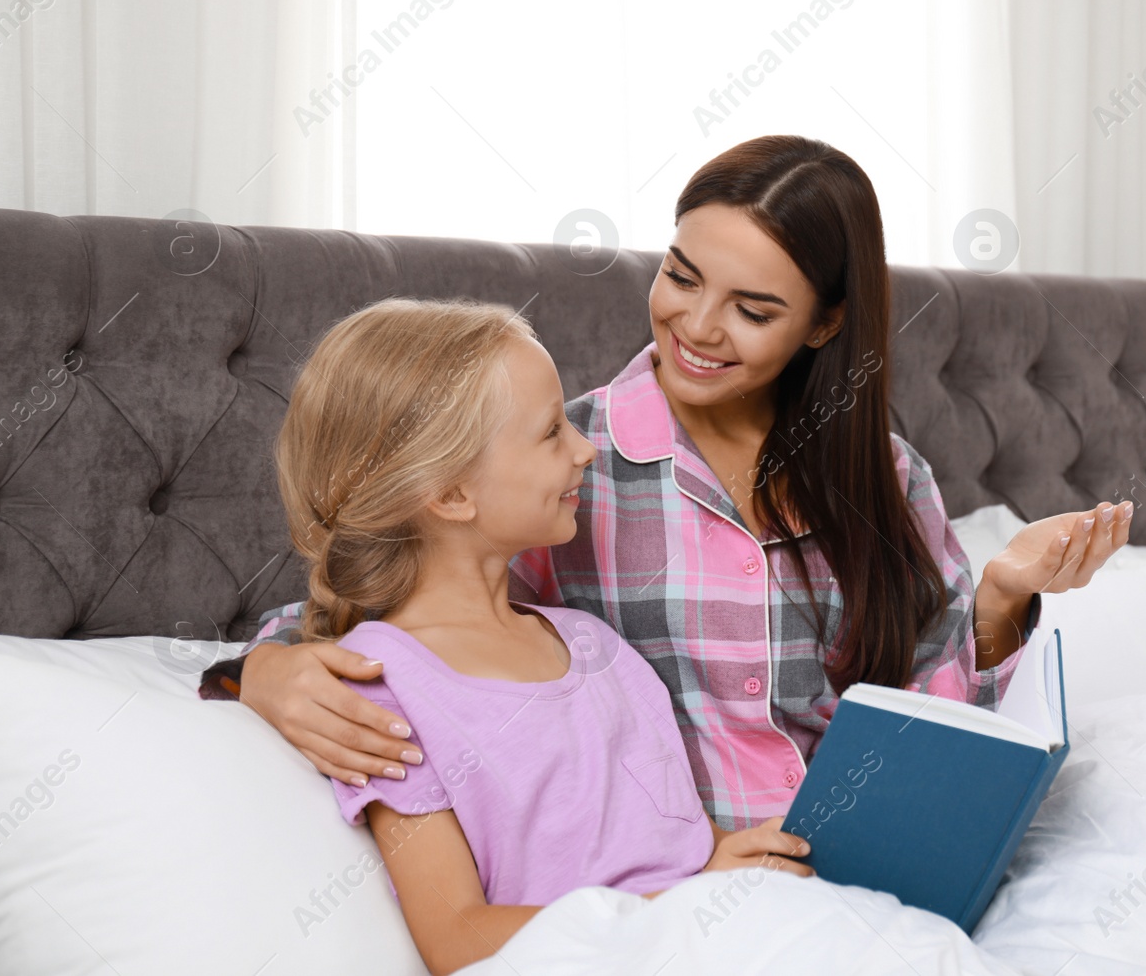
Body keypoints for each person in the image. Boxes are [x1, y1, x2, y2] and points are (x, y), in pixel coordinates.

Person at [201, 134, 1133, 830]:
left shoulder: (883, 472)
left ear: (823, 324)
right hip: (690, 883)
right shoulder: (565, 462)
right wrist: (267, 669)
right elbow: (390, 605)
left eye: (753, 309)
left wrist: (1004, 593)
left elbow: (931, 709)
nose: (697, 324)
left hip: (866, 858)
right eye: (682, 276)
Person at [271, 297, 812, 976]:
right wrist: (675, 905)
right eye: (551, 431)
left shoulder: (597, 647)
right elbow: (458, 936)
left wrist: (731, 862)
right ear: (452, 494)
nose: (586, 448)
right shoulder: (382, 686)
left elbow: (679, 850)